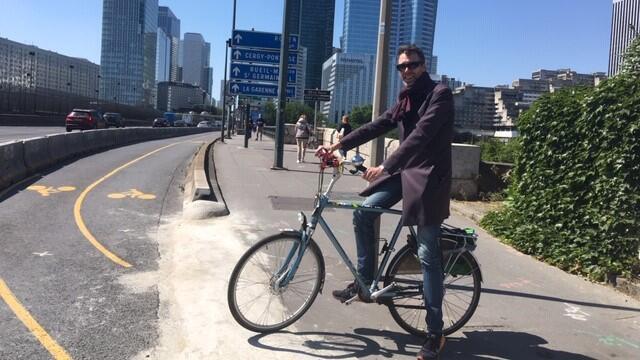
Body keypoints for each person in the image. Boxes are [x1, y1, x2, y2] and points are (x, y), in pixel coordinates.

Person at [317, 44, 453, 360]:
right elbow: (378, 124)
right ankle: (364, 282)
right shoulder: (405, 98)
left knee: (426, 252)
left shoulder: (440, 94)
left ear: (424, 65)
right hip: (404, 171)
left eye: (413, 65)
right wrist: (339, 143)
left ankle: (435, 333)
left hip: (429, 177)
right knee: (364, 213)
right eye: (401, 67)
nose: (407, 71)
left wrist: (386, 166)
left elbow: (421, 135)